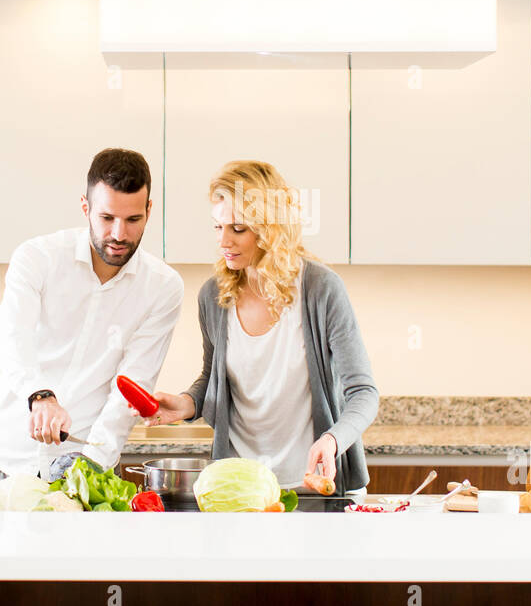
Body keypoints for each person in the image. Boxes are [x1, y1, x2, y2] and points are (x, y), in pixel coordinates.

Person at [144, 160, 377, 494]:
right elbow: (213, 379)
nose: (224, 241)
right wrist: (187, 404)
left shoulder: (320, 290)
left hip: (315, 486)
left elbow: (363, 393)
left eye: (238, 229)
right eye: (217, 227)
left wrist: (333, 440)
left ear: (269, 229)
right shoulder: (214, 296)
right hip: (242, 489)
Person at [0, 148, 183, 492]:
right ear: (85, 208)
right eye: (106, 218)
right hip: (6, 463)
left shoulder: (162, 287)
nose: (119, 234)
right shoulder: (36, 258)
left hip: (87, 468)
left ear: (148, 211)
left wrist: (92, 464)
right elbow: (14, 339)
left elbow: (132, 383)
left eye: (133, 220)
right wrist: (40, 397)